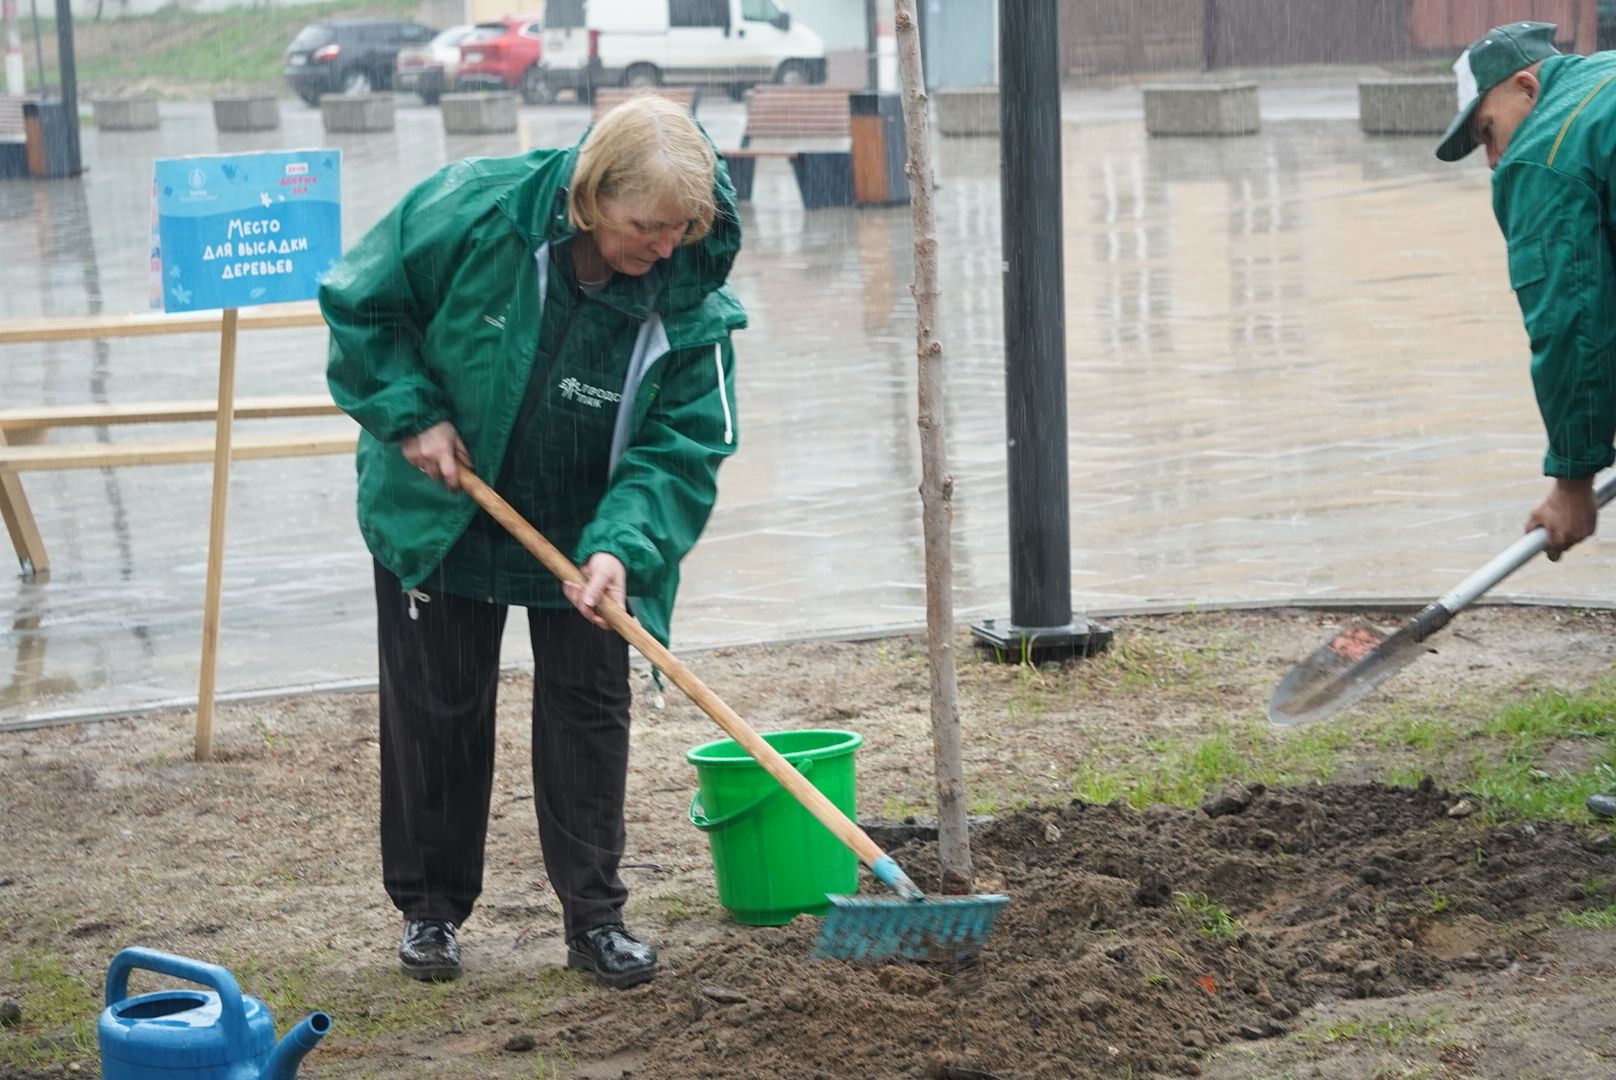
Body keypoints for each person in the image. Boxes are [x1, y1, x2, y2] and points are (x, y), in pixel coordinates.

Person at [322, 95, 745, 987]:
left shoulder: (692, 302)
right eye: (646, 227)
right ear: (592, 197)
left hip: (591, 531)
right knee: (437, 710)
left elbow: (685, 447)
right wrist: (412, 416)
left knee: (590, 710)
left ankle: (595, 917)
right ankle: (431, 912)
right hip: (447, 501)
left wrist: (621, 547)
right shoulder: (473, 209)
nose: (664, 247)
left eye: (681, 228)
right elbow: (364, 307)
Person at [1435, 22, 1616, 817]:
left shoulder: (1548, 146)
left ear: (1525, 90)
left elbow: (1570, 321)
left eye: (1486, 133)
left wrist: (1572, 479)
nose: (1494, 160)